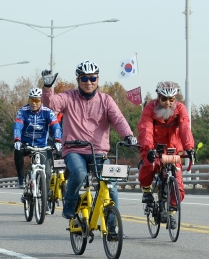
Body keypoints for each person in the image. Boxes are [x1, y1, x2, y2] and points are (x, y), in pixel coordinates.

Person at [40, 60, 136, 226]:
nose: (88, 82)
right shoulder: (69, 97)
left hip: (99, 152)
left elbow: (118, 119)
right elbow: (50, 105)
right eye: (84, 79)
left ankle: (113, 227)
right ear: (78, 80)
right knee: (79, 173)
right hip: (73, 150)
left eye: (92, 78)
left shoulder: (106, 100)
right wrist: (47, 89)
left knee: (110, 185)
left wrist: (128, 135)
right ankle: (70, 204)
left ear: (98, 80)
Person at [137, 81, 195, 211]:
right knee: (149, 165)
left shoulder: (180, 108)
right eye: (164, 99)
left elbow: (185, 128)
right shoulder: (150, 108)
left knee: (178, 183)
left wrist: (189, 148)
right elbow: (146, 129)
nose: (168, 103)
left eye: (171, 99)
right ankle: (146, 191)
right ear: (158, 97)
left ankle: (173, 212)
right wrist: (149, 148)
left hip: (174, 150)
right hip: (154, 147)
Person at [13, 87, 61, 188]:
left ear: (41, 101)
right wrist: (17, 139)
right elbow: (18, 126)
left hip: (42, 145)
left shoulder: (48, 112)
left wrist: (57, 140)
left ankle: (44, 194)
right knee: (17, 151)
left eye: (36, 100)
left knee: (47, 172)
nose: (33, 103)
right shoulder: (23, 111)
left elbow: (56, 126)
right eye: (31, 100)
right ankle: (20, 178)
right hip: (26, 144)